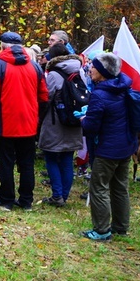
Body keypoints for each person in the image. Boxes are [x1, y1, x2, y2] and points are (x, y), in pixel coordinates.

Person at [0, 31, 48, 211]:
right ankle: (26, 200)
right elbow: (44, 96)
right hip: (28, 123)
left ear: (2, 46)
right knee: (26, 163)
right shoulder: (35, 66)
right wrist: (37, 116)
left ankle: (6, 199)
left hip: (5, 122)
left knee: (6, 163)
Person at [80, 52, 138, 241]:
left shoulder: (100, 94)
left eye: (94, 67)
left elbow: (91, 127)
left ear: (103, 72)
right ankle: (121, 226)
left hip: (107, 149)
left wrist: (82, 120)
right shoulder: (123, 87)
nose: (90, 69)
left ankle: (102, 230)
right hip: (126, 146)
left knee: (99, 187)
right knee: (120, 187)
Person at [39, 44, 84, 207]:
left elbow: (46, 97)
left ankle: (57, 195)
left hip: (55, 122)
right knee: (66, 158)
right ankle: (64, 195)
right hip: (74, 121)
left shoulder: (53, 74)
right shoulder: (80, 71)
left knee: (51, 157)